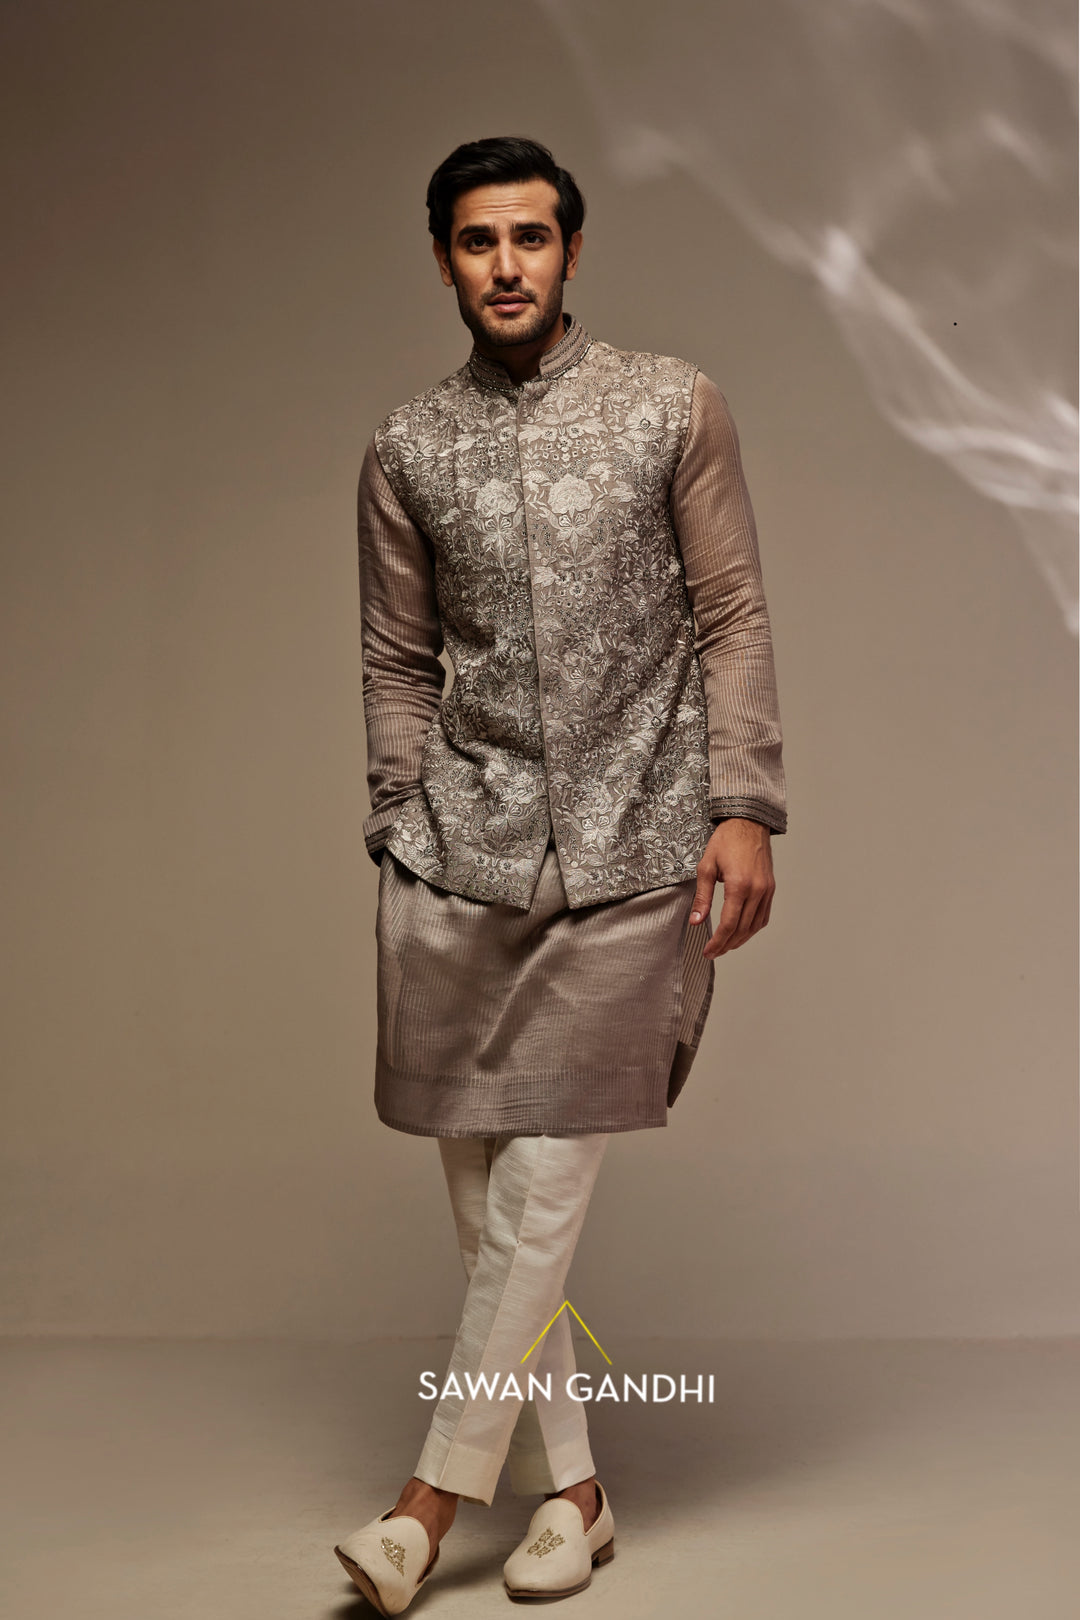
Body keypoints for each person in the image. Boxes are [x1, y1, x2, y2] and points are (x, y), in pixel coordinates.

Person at [333, 135, 787, 1613]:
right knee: (488, 1209)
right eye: (478, 240)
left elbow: (730, 611)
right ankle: (575, 1497)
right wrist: (398, 813)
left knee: (540, 1189)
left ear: (573, 251)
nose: (507, 264)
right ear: (444, 259)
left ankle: (424, 1506)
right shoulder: (408, 445)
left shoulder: (672, 404)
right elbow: (396, 655)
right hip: (458, 855)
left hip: (636, 845)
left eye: (532, 236)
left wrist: (744, 805)